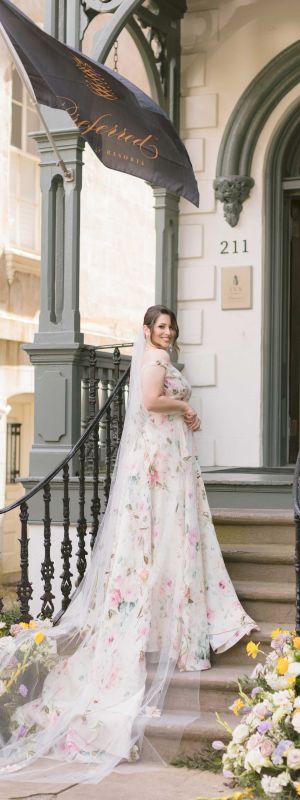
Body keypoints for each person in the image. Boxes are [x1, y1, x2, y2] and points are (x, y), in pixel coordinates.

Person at [0, 305, 257, 786]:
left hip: (167, 455)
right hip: (162, 456)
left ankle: (173, 625)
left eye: (171, 327)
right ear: (147, 331)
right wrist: (184, 407)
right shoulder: (155, 363)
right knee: (164, 541)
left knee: (167, 542)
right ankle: (173, 632)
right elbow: (149, 404)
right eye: (161, 327)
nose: (168, 332)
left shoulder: (156, 358)